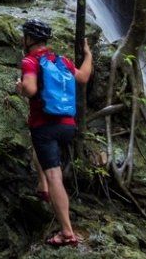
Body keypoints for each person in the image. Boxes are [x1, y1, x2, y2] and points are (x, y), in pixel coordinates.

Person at [15, 18, 92, 246]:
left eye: (24, 36)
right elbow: (83, 77)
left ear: (29, 39)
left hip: (45, 126)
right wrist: (88, 55)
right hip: (68, 125)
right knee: (42, 151)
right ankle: (43, 187)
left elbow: (30, 89)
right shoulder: (62, 61)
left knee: (54, 174)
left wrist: (20, 87)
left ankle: (67, 232)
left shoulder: (30, 60)